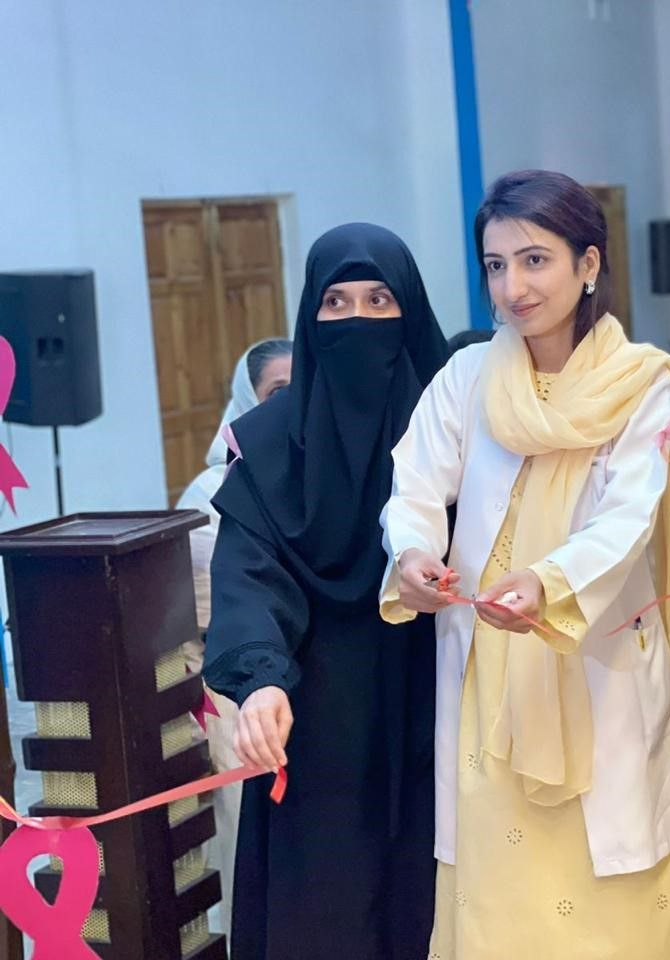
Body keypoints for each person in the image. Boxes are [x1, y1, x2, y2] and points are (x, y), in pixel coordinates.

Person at [380, 169, 670, 959]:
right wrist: (411, 553)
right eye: (495, 265)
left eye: (535, 260)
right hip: (489, 675)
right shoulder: (467, 378)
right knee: (500, 901)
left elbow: (629, 516)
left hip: (598, 662)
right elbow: (414, 484)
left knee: (618, 895)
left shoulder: (640, 383)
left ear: (588, 265)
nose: (513, 287)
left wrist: (548, 583)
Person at [203, 223, 447, 960]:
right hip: (316, 727)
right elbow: (248, 577)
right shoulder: (268, 446)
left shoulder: (456, 427)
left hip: (445, 706)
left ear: (410, 309)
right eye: (335, 303)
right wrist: (259, 680)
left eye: (379, 300)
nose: (357, 320)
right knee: (326, 915)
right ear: (310, 318)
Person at [176, 336, 291, 931]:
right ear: (247, 401)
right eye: (276, 391)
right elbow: (218, 602)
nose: (290, 402)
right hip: (236, 687)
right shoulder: (211, 489)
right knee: (250, 833)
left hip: (316, 679)